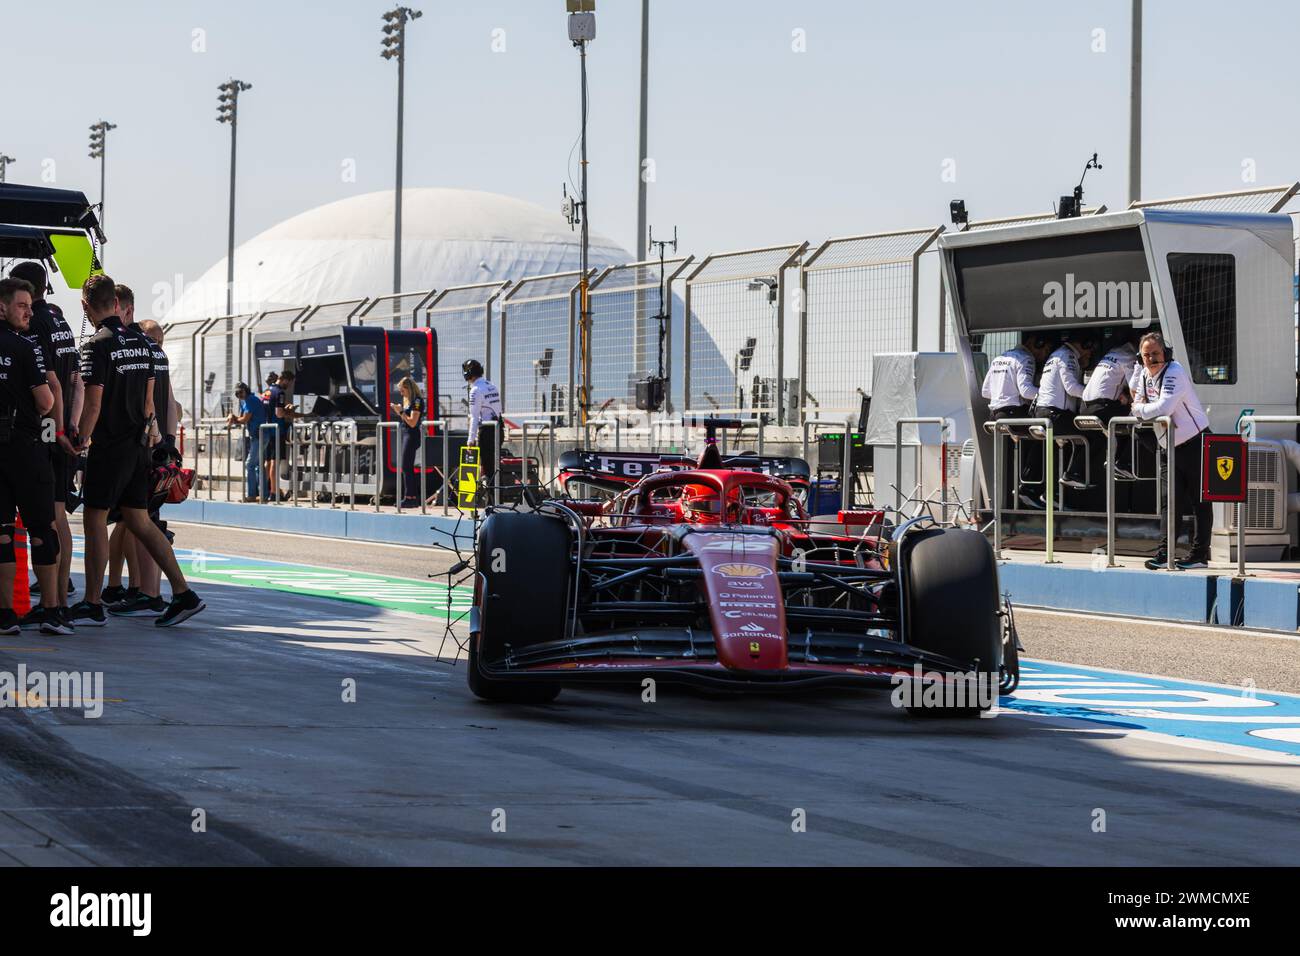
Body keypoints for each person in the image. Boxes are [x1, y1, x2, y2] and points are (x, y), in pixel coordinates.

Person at [69, 274, 205, 628]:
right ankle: (183, 592)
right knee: (140, 521)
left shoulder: (96, 346)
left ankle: (92, 601)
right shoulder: (145, 345)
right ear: (116, 305)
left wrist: (80, 441)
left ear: (86, 307)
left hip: (110, 447)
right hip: (140, 447)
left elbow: (94, 405)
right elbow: (149, 404)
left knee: (95, 519)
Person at [10, 261, 82, 623]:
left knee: (45, 519)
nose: (24, 311)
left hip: (40, 437)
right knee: (53, 517)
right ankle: (60, 595)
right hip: (57, 433)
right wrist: (69, 428)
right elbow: (77, 383)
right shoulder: (61, 321)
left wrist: (51, 433)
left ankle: (52, 601)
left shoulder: (32, 329)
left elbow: (51, 389)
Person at [0, 277, 69, 636]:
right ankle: (52, 610)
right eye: (22, 305)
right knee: (42, 529)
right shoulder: (23, 346)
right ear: (2, 307)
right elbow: (46, 401)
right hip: (26, 448)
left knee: (2, 533)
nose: (29, 312)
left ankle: (5, 614)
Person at [110, 317, 181, 617]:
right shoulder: (159, 357)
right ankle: (137, 588)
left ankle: (143, 590)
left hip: (144, 448)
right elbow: (173, 407)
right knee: (137, 520)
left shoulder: (137, 352)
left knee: (139, 520)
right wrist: (171, 443)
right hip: (160, 448)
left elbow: (151, 403)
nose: (158, 346)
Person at [1130, 331, 1212, 570]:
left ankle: (1199, 555)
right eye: (1146, 355)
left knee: (1200, 502)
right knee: (1170, 502)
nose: (1151, 359)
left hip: (1196, 442)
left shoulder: (1174, 371)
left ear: (1165, 353)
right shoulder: (1145, 373)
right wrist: (1143, 406)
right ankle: (1165, 553)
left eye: (1155, 353)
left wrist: (1142, 409)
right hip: (1169, 447)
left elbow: (1163, 407)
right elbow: (1135, 399)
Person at [981, 332, 1053, 509]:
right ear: (1036, 344)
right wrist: (1048, 394)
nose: (1044, 355)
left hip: (995, 415)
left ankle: (1018, 489)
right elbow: (1026, 391)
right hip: (1013, 414)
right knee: (1045, 436)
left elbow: (985, 392)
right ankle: (1029, 488)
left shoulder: (1000, 357)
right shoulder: (1026, 358)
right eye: (1045, 350)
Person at [1029, 330, 1097, 505]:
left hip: (1044, 413)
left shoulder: (1057, 354)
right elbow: (1072, 388)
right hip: (1054, 414)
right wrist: (1095, 394)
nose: (1091, 353)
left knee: (1068, 445)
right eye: (1091, 348)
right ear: (1085, 344)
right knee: (1093, 434)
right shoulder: (1068, 356)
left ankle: (1053, 493)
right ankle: (1074, 474)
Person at [1077, 329, 1141, 485]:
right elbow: (1136, 388)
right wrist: (1128, 395)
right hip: (1102, 407)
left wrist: (1123, 394)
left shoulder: (1113, 352)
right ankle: (1123, 462)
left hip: (1084, 408)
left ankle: (1075, 471)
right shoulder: (1130, 357)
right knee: (1140, 419)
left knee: (1121, 420)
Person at [464, 358, 501, 497]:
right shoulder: (492, 385)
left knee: (489, 469)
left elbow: (474, 417)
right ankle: (497, 500)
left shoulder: (475, 390)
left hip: (487, 431)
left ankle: (492, 505)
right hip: (498, 428)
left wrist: (470, 440)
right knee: (495, 469)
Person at [228, 381, 268, 501]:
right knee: (259, 466)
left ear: (246, 390)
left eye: (240, 392)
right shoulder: (249, 400)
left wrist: (234, 419)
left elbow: (245, 419)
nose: (239, 395)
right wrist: (235, 418)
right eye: (237, 393)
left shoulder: (250, 400)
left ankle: (251, 495)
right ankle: (263, 495)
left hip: (259, 435)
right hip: (260, 435)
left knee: (249, 464)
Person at [390, 375, 425, 508]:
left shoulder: (417, 401)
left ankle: (411, 497)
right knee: (405, 465)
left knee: (406, 466)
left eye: (402, 390)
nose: (401, 393)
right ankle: (410, 496)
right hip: (406, 434)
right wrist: (400, 410)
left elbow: (412, 422)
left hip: (412, 434)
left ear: (408, 389)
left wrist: (400, 412)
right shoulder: (407, 400)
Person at [266, 368, 297, 500]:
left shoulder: (266, 392)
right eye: (288, 383)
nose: (288, 386)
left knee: (267, 463)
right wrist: (289, 411)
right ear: (285, 380)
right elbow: (279, 413)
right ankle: (274, 493)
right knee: (275, 462)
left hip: (266, 430)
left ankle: (264, 490)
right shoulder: (280, 393)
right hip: (277, 431)